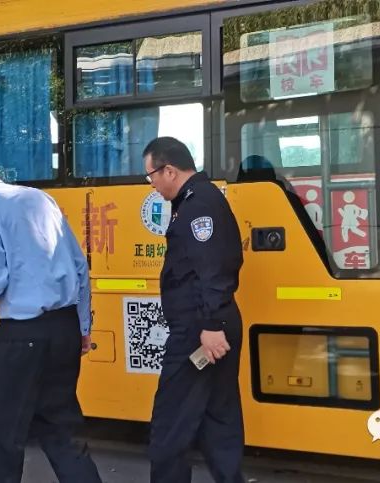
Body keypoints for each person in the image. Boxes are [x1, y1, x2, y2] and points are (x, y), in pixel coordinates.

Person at [0, 135, 101, 483]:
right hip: (64, 328)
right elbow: (79, 266)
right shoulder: (38, 197)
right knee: (61, 430)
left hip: (23, 336)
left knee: (0, 436)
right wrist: (83, 329)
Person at [143, 137, 245, 483]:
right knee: (219, 417)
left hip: (200, 328)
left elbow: (213, 266)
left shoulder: (199, 204)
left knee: (171, 420)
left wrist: (211, 323)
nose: (152, 184)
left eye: (151, 176)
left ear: (169, 170)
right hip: (209, 322)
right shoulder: (197, 200)